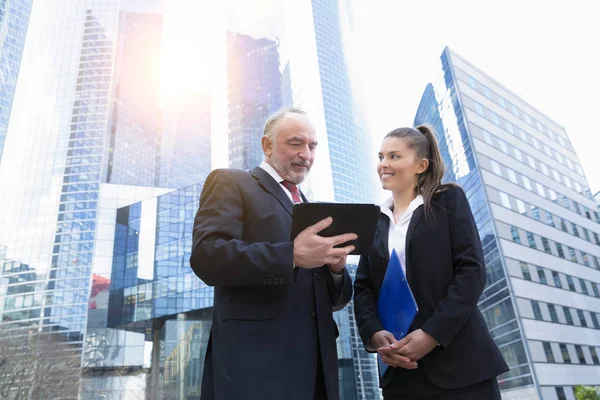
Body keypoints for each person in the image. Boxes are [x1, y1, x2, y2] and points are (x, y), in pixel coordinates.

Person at [190, 108, 355, 400]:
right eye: (296, 143)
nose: (306, 154)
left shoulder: (309, 207)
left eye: (312, 146)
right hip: (257, 369)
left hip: (318, 370)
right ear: (267, 145)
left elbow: (334, 301)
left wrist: (335, 270)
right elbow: (207, 256)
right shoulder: (232, 182)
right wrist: (290, 255)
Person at [353, 125, 509, 399]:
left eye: (394, 156)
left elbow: (471, 272)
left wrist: (432, 334)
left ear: (421, 165)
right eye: (381, 157)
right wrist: (374, 334)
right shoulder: (374, 221)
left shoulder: (447, 200)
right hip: (401, 374)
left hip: (460, 366)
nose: (384, 164)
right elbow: (363, 288)